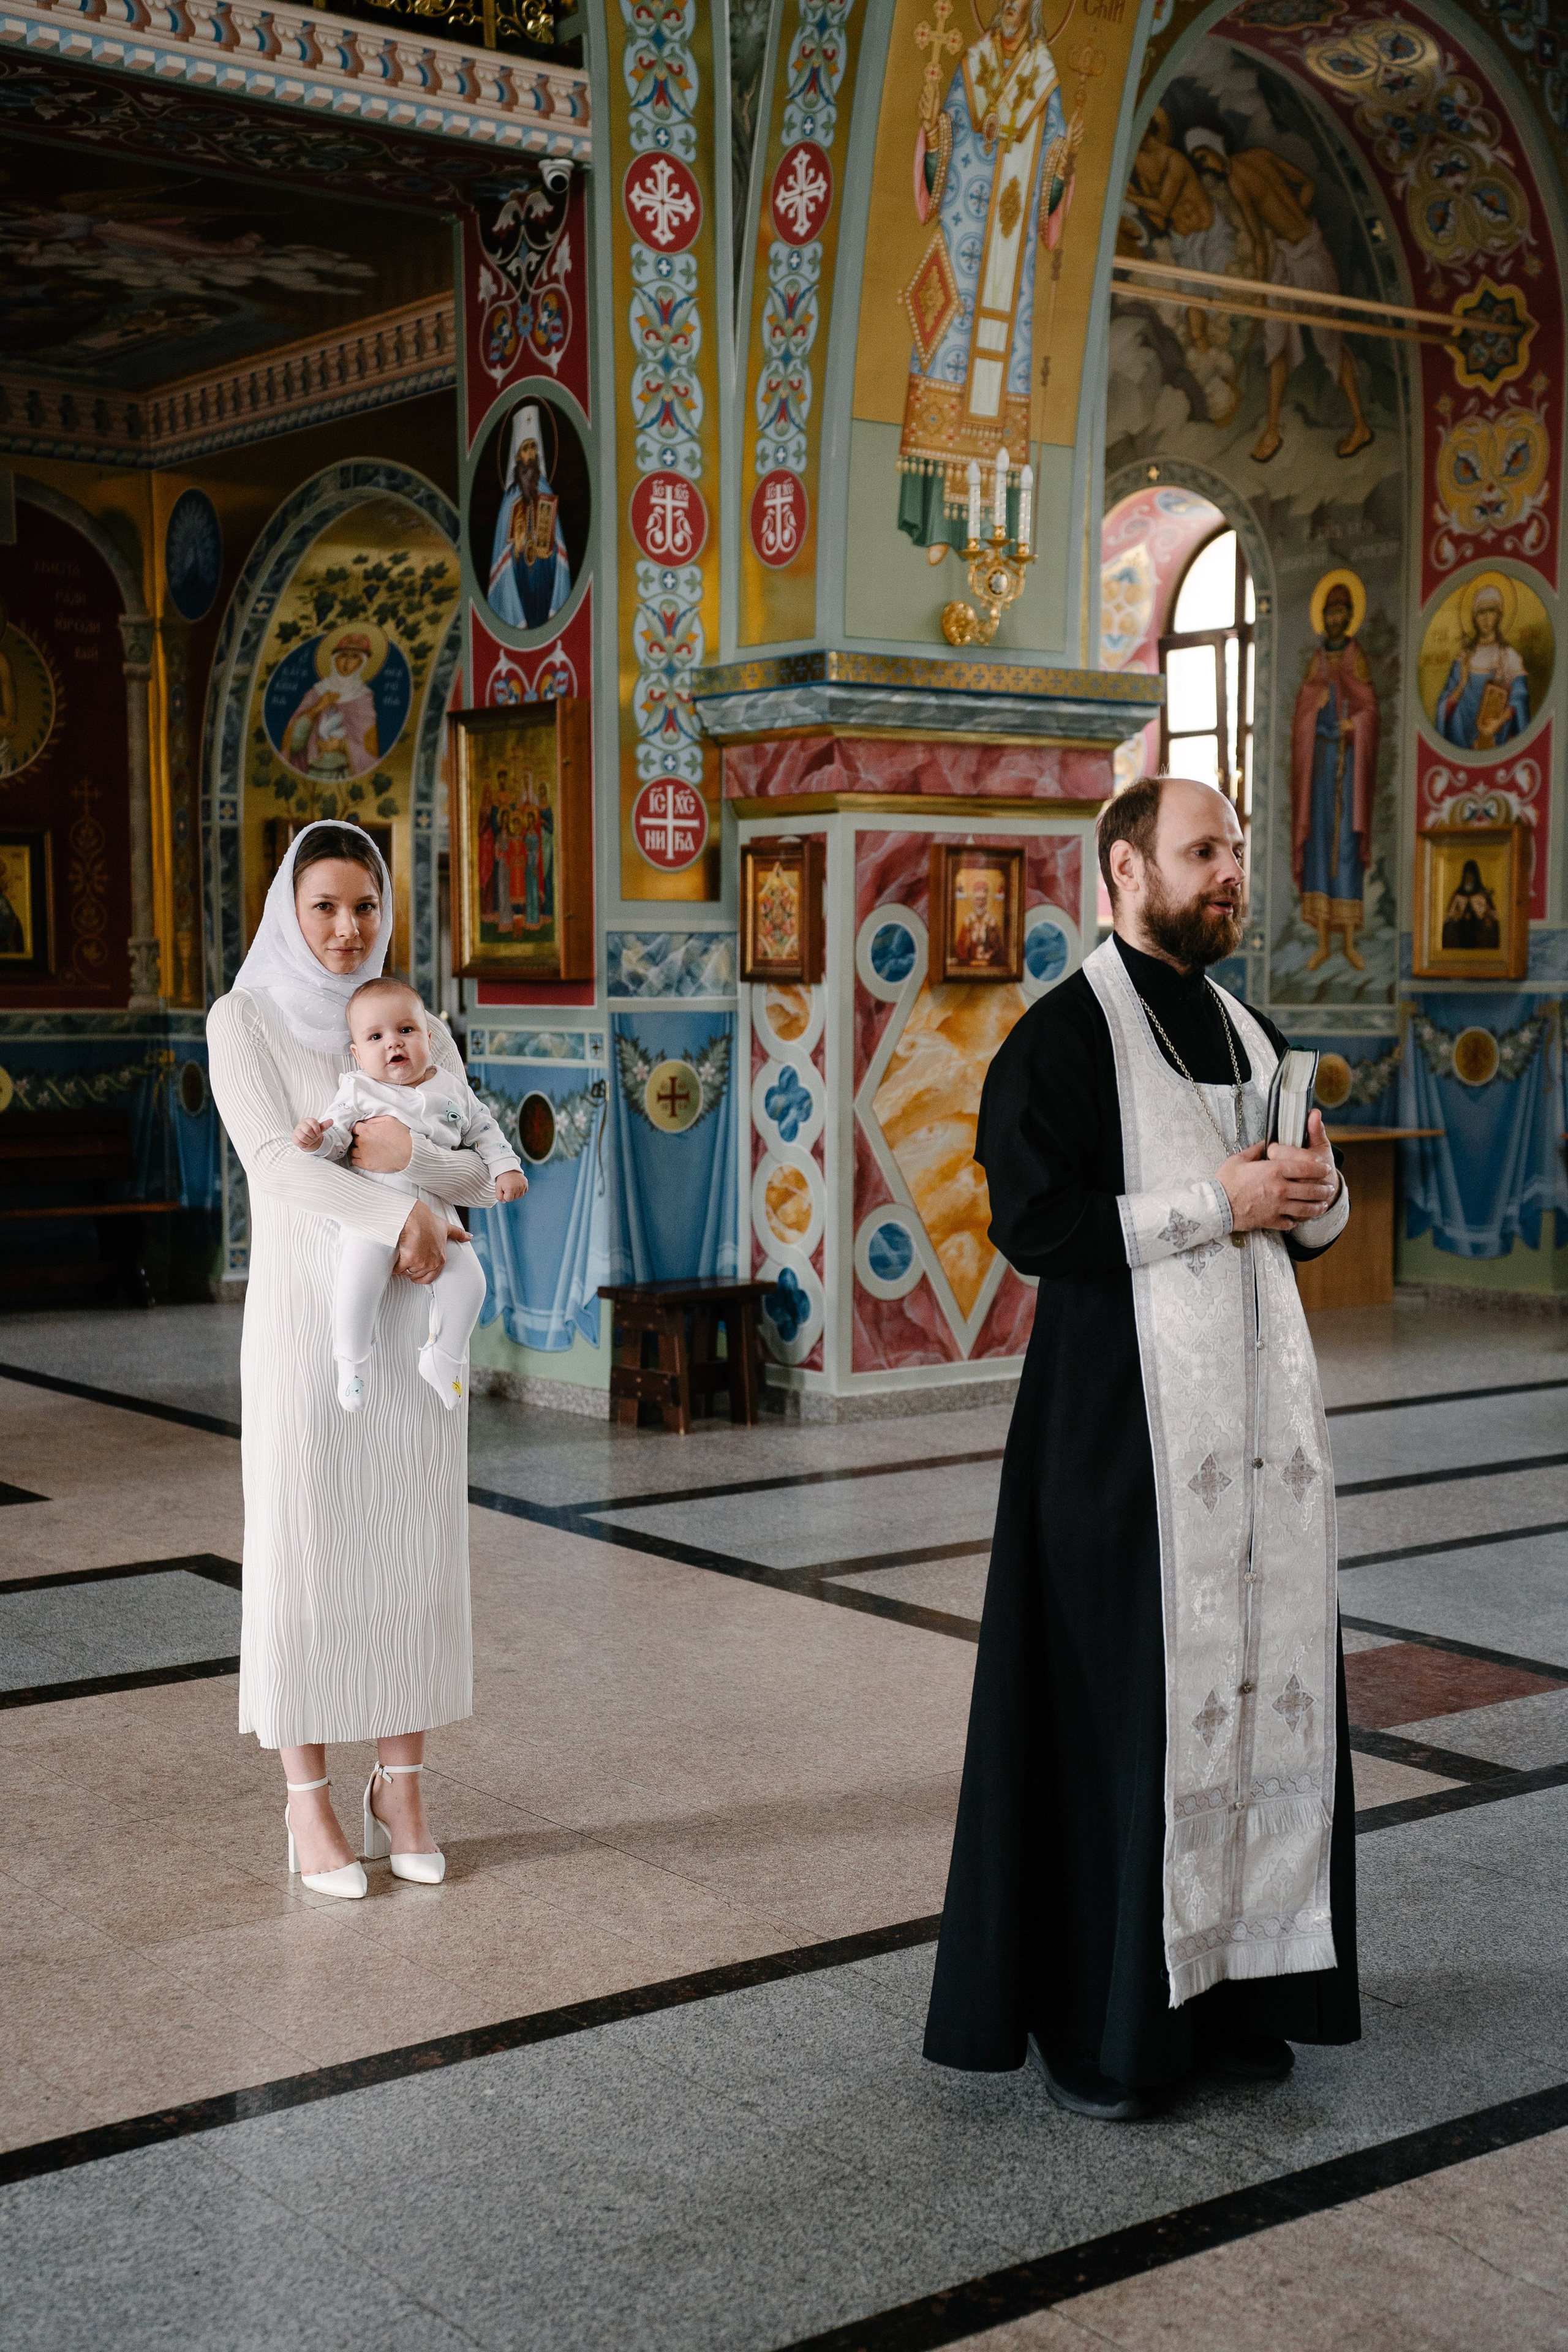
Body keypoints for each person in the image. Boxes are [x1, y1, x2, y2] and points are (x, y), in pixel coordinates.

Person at [924, 774, 1359, 2120]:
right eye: (1202, 851)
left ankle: (1234, 1990)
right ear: (1121, 872)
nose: (1230, 870)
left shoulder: (1247, 1027)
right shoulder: (1060, 1038)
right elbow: (1035, 1228)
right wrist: (1213, 1203)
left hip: (1260, 1441)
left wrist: (1315, 1193)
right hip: (1116, 1433)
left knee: (1247, 1706)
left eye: (1233, 849)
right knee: (1118, 1713)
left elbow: (1305, 1224)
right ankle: (1099, 2020)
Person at [208, 821, 499, 1899]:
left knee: (412, 1549)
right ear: (290, 908)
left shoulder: (415, 1019)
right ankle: (308, 1803)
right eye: (325, 906)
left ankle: (403, 1786)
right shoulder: (240, 1021)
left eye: (365, 907)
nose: (346, 929)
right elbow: (278, 1171)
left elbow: (470, 1164)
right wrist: (396, 1221)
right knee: (306, 1551)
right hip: (306, 1326)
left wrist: (408, 1163)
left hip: (414, 1332)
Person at [293, 974, 527, 1412]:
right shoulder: (359, 1090)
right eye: (376, 1037)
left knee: (470, 1282)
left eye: (406, 1030)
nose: (393, 1044)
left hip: (438, 1211)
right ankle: (352, 1363)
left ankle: (444, 1356)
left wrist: (506, 1166)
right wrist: (315, 1141)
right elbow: (338, 1141)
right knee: (357, 1280)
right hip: (376, 1209)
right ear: (358, 1054)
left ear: (427, 1036)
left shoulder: (452, 1089)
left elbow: (484, 1129)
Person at [896, 0, 1077, 552]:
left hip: (1009, 264)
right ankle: (931, 524)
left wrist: (1063, 167)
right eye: (1004, 3)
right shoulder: (969, 69)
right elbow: (942, 153)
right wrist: (932, 129)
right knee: (940, 353)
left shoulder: (1046, 82)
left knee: (1005, 379)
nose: (1011, 11)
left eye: (1021, 4)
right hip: (961, 245)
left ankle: (988, 530)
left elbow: (1051, 178)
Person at [1189, 136, 1372, 464]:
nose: (1206, 165)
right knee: (1277, 341)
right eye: (1201, 164)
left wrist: (1264, 275)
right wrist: (1290, 228)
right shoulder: (1258, 157)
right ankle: (1272, 429)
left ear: (1216, 146)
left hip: (1309, 255)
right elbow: (1306, 188)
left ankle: (1361, 424)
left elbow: (1261, 240)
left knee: (1329, 338)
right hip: (1290, 256)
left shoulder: (1238, 179)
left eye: (1204, 157)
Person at [1291, 575, 1379, 973]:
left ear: (1349, 617)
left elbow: (1370, 709)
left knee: (1344, 846)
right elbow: (1303, 710)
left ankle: (1348, 942)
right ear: (1323, 618)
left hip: (1348, 765)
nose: (1336, 618)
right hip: (1321, 766)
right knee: (1319, 846)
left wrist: (1355, 727)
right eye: (1330, 612)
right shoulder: (1317, 659)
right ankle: (1324, 942)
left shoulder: (1354, 656)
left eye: (1342, 611)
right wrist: (1316, 707)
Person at [489, 403, 571, 630]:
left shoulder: (545, 489)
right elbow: (502, 555)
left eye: (534, 448)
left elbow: (558, 543)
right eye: (526, 449)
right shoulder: (510, 499)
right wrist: (517, 548)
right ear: (517, 455)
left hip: (546, 577)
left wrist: (549, 547)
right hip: (520, 580)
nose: (531, 454)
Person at [1435, 581, 1530, 750]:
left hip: (1496, 735)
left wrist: (1499, 721)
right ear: (1474, 617)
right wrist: (1462, 684)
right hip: (1461, 737)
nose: (1486, 618)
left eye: (1491, 611)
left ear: (1499, 615)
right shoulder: (1463, 658)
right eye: (1481, 612)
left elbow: (1519, 699)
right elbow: (1445, 704)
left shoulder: (1508, 656)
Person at [1441, 859, 1501, 951]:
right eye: (1467, 876)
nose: (1469, 878)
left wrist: (1487, 917)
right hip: (1461, 928)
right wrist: (1455, 917)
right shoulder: (1458, 894)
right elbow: (1450, 914)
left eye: (1471, 876)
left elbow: (1493, 914)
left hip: (1479, 928)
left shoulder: (1483, 894)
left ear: (1475, 877)